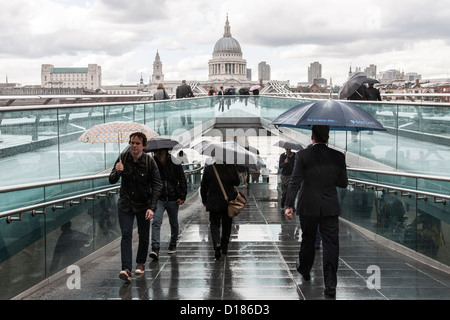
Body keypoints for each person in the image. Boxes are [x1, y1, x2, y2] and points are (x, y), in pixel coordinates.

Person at [284, 125, 348, 297]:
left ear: (312, 136)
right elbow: (343, 183)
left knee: (308, 238)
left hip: (308, 205)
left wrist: (289, 204)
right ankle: (330, 284)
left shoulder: (303, 155)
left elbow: (295, 181)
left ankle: (305, 269)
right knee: (331, 244)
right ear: (328, 137)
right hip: (330, 206)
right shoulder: (338, 156)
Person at [109, 132, 162, 282]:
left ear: (144, 146)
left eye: (138, 143)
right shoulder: (123, 158)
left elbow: (157, 184)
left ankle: (140, 263)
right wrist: (117, 172)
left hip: (143, 205)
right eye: (132, 143)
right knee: (126, 235)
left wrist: (152, 207)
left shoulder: (149, 162)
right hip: (125, 204)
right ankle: (126, 268)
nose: (134, 146)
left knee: (143, 236)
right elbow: (112, 180)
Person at [149, 148, 187, 259]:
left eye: (161, 151)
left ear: (166, 151)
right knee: (156, 221)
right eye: (157, 151)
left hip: (173, 198)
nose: (158, 153)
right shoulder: (152, 162)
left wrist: (182, 196)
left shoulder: (175, 162)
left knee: (174, 222)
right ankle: (155, 247)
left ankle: (173, 243)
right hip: (158, 198)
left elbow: (182, 179)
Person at [200, 161, 240, 259]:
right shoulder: (231, 167)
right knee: (227, 224)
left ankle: (217, 243)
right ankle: (224, 246)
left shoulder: (209, 168)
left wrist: (204, 200)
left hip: (214, 201)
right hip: (228, 201)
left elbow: (204, 185)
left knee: (214, 224)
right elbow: (237, 182)